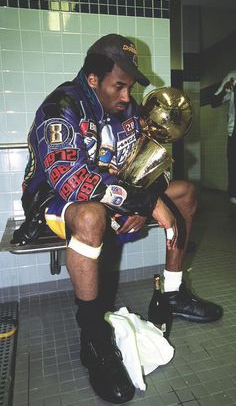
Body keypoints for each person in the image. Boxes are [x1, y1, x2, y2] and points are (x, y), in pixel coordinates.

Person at [13, 34, 223, 404]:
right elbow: (71, 181)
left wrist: (147, 197)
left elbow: (151, 167)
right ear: (93, 79)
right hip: (54, 200)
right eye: (119, 86)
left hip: (117, 194)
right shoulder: (60, 108)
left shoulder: (125, 110)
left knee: (186, 194)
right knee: (93, 216)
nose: (128, 97)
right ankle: (94, 339)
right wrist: (141, 202)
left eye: (130, 87)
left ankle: (172, 293)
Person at [211, 71, 236, 204]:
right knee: (234, 164)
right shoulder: (232, 76)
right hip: (234, 132)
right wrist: (226, 90)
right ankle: (234, 195)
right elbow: (214, 102)